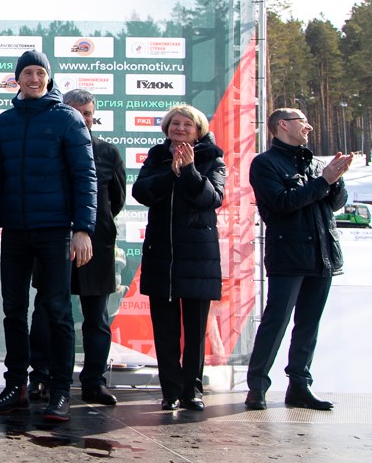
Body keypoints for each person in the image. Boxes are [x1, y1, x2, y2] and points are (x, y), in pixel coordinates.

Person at [0, 50, 96, 424]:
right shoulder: (6, 122)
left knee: (57, 311)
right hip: (15, 231)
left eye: (39, 73)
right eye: (27, 73)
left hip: (55, 231)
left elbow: (85, 176)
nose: (33, 79)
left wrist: (82, 229)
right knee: (13, 310)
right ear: (17, 79)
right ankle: (15, 386)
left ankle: (60, 391)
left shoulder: (67, 118)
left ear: (48, 78)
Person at [245, 109, 351, 411]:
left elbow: (335, 204)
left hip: (322, 255)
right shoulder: (265, 163)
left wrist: (335, 180)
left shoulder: (314, 163)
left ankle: (300, 386)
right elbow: (282, 203)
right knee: (276, 321)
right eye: (303, 121)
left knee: (308, 324)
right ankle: (257, 387)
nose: (309, 127)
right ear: (282, 124)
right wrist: (323, 181)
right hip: (288, 256)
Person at [28, 89, 126, 405]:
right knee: (46, 313)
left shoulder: (108, 152)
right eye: (75, 112)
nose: (82, 119)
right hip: (51, 242)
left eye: (88, 113)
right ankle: (41, 377)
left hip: (96, 246)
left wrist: (89, 229)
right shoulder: (44, 150)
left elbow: (116, 201)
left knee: (96, 318)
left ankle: (93, 383)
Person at [131, 104, 225, 411]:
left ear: (198, 130)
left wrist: (189, 170)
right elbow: (141, 192)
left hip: (198, 255)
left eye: (187, 124)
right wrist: (170, 173)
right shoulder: (157, 156)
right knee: (165, 329)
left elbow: (211, 198)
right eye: (175, 123)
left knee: (195, 330)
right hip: (162, 253)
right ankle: (170, 391)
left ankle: (192, 391)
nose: (180, 128)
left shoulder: (213, 157)